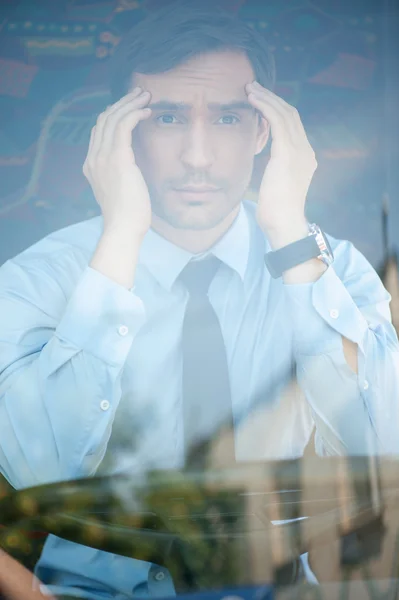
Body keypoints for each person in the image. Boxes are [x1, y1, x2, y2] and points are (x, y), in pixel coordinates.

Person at [0, 1, 398, 597]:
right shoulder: (36, 280)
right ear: (120, 132)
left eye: (230, 120)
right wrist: (119, 244)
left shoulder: (330, 269)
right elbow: (40, 474)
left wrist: (290, 237)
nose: (198, 156)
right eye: (166, 119)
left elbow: (382, 454)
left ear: (266, 130)